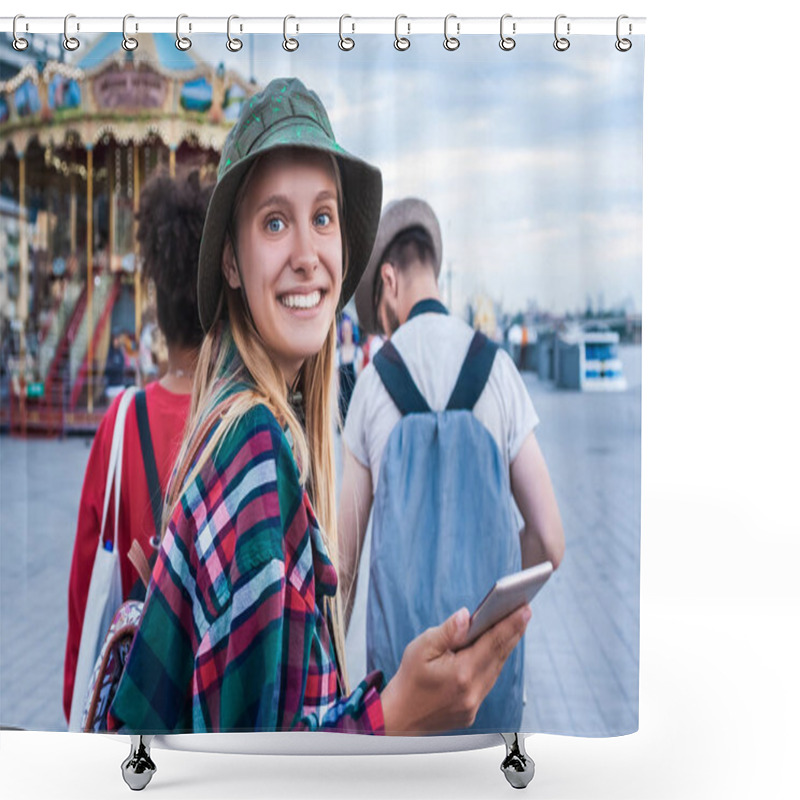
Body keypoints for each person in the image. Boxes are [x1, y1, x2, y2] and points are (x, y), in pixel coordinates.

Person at [108, 78, 530, 736]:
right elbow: (255, 772)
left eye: (323, 217)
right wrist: (397, 714)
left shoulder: (230, 422)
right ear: (231, 262)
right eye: (275, 222)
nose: (307, 256)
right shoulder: (251, 453)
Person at [338, 198, 566, 731]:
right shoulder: (499, 370)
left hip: (401, 692)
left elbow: (342, 569)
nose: (383, 332)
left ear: (389, 280)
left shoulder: (373, 386)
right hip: (489, 686)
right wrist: (495, 607)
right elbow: (551, 541)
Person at [63, 169, 214, 725]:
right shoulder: (245, 424)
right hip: (211, 703)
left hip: (133, 703)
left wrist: (79, 695)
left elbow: (86, 578)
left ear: (154, 296)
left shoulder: (120, 423)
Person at [336, 314, 362, 426]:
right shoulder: (337, 355)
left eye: (349, 329)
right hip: (343, 402)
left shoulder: (358, 353)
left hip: (354, 400)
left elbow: (360, 380)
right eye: (344, 329)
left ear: (352, 331)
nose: (346, 332)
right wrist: (336, 409)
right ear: (341, 332)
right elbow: (336, 384)